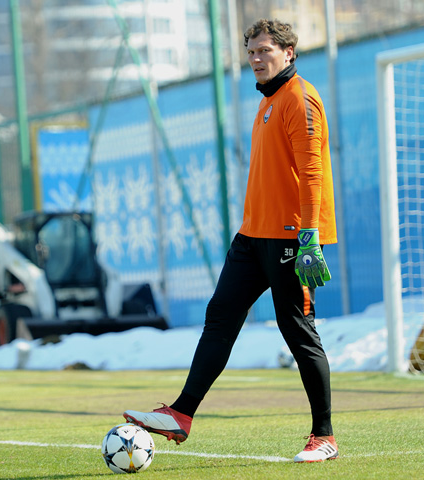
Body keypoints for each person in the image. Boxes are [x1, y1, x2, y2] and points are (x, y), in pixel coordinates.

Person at [123, 18, 338, 463]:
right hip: (252, 236)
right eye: (251, 52)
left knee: (297, 330)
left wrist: (310, 235)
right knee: (220, 316)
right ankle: (181, 414)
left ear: (288, 53)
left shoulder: (299, 98)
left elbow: (312, 173)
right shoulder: (268, 100)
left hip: (291, 237)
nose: (256, 59)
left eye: (265, 51)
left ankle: (324, 436)